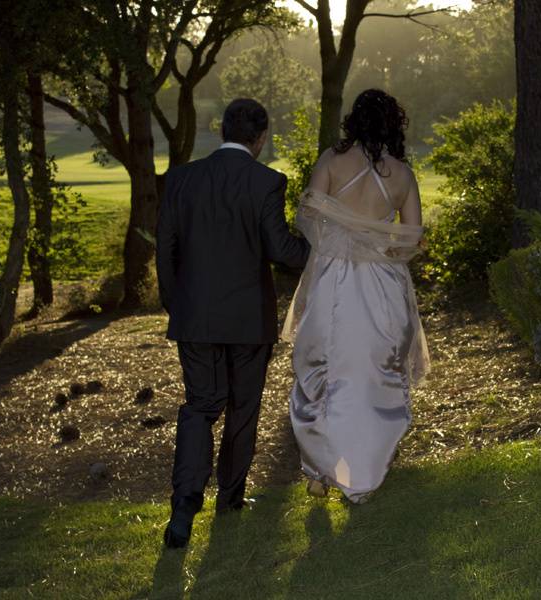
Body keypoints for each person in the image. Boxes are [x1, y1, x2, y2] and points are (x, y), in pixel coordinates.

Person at [156, 98, 309, 548]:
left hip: (195, 316)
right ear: (260, 138)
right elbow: (281, 249)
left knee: (200, 406)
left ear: (222, 131)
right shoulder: (266, 181)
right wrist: (324, 253)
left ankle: (184, 505)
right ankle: (231, 498)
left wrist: (176, 303)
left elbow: (164, 248)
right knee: (242, 409)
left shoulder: (182, 179)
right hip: (248, 320)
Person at [282, 89, 430, 504]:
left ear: (354, 121)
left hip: (333, 278)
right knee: (374, 377)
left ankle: (317, 470)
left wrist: (342, 233)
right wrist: (379, 243)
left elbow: (308, 217)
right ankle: (361, 471)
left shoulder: (331, 160)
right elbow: (411, 238)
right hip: (382, 283)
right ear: (393, 125)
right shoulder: (402, 174)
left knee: (325, 373)